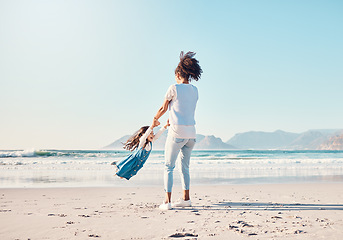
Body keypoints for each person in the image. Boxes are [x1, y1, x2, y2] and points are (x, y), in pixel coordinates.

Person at [153, 51, 202, 210]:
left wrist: (155, 119)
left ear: (178, 74)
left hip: (177, 133)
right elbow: (184, 108)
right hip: (192, 135)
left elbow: (163, 107)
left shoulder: (173, 87)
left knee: (168, 166)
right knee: (185, 167)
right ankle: (186, 199)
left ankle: (167, 202)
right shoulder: (195, 90)